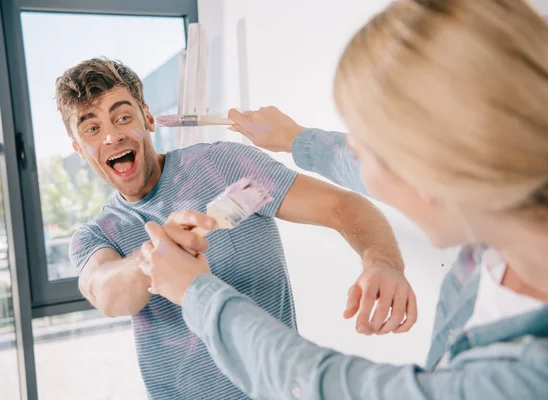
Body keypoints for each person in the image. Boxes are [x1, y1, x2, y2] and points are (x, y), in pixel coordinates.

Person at [141, 0, 548, 398]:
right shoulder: (500, 212)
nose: (360, 165)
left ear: (428, 171)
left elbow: (324, 385)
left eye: (363, 145)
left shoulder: (520, 378)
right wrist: (295, 138)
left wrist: (197, 293)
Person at [57, 58, 417, 399]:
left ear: (148, 118)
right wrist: (157, 253)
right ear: (78, 147)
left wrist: (383, 261)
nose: (111, 137)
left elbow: (343, 206)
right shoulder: (97, 235)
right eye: (92, 128)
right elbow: (105, 293)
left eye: (122, 117)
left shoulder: (224, 166)